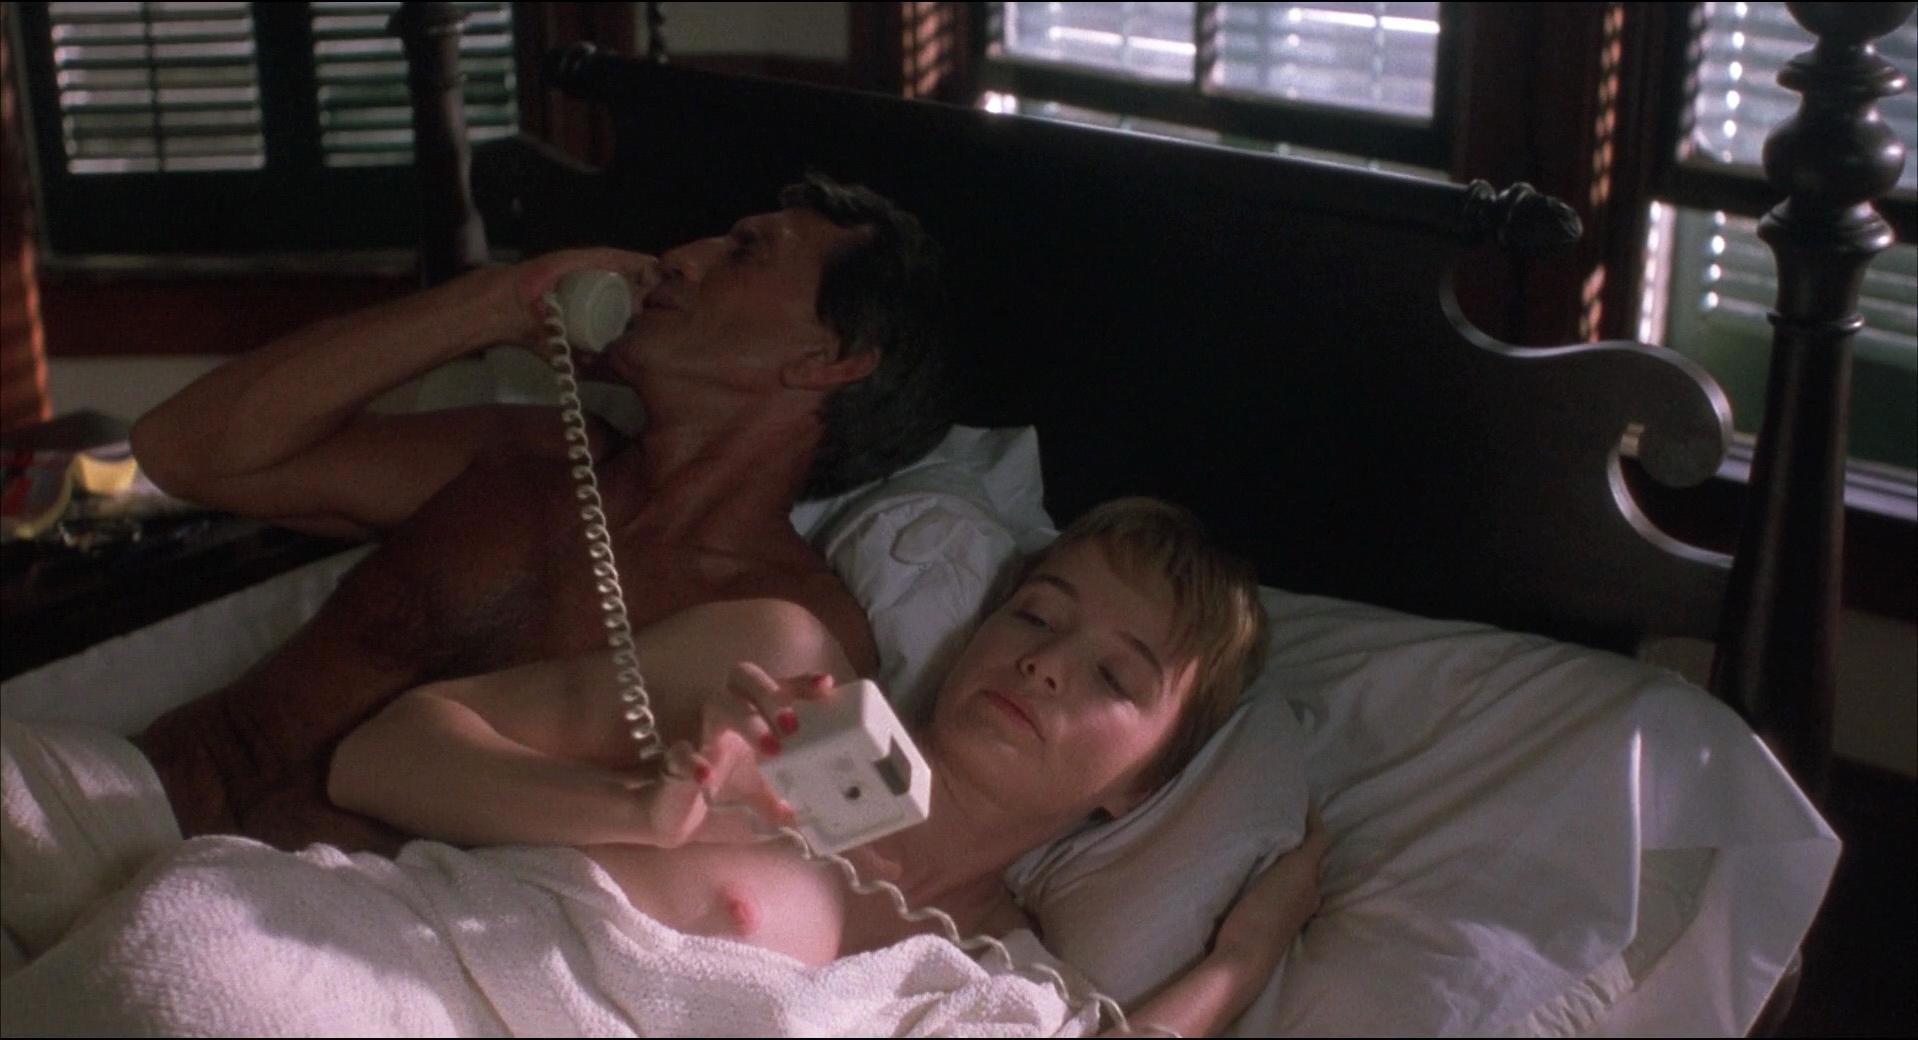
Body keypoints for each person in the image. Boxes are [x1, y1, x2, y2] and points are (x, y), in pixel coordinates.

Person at [128, 174, 955, 854]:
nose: (678, 260)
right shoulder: (526, 456)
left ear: (829, 360)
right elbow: (184, 451)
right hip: (134, 801)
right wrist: (497, 304)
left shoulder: (789, 644)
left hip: (304, 922)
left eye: (744, 251)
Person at [328, 497, 1326, 1036]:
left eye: (1113, 674)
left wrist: (1238, 963)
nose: (1046, 663)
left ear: (1141, 785)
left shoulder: (1005, 976)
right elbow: (377, 759)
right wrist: (642, 807)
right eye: (1035, 615)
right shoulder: (781, 674)